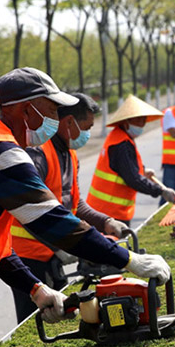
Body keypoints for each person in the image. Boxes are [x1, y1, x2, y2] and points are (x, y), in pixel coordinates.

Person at [0, 67, 170, 324]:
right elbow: (51, 218)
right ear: (27, 110)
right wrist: (128, 259)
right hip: (38, 252)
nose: (55, 120)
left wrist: (35, 289)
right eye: (50, 111)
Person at [10, 93, 131, 323]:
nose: (88, 134)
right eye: (87, 127)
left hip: (54, 252)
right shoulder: (37, 154)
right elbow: (27, 209)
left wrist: (105, 222)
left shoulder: (70, 154)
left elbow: (75, 204)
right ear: (68, 123)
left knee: (62, 313)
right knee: (32, 321)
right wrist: (59, 247)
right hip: (29, 257)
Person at [86, 94, 175, 225]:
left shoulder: (119, 137)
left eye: (144, 120)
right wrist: (161, 191)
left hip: (105, 211)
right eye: (138, 120)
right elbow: (132, 179)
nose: (142, 124)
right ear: (126, 121)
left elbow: (124, 167)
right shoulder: (121, 144)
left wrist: (143, 170)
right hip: (109, 213)